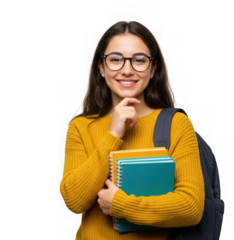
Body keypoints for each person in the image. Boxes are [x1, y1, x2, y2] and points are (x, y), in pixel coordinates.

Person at [59, 20, 205, 240]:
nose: (127, 70)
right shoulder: (80, 127)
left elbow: (191, 208)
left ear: (153, 68)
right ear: (101, 67)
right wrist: (113, 135)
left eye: (139, 60)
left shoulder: (177, 124)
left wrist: (120, 204)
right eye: (115, 60)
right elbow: (74, 202)